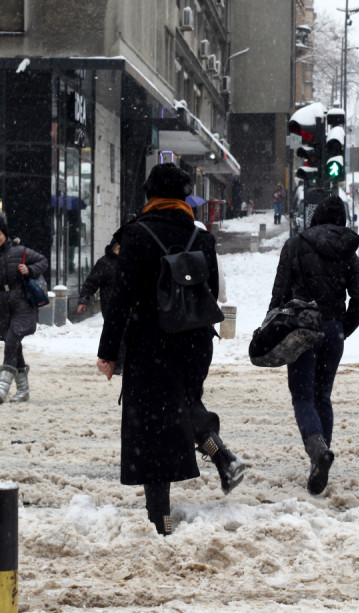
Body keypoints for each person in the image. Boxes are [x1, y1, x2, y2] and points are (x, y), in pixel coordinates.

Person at [96, 163, 245, 536]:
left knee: (149, 432)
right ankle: (220, 455)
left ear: (150, 196)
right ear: (183, 197)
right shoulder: (202, 237)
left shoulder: (137, 235)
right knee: (183, 405)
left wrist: (109, 350)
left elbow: (120, 298)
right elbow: (211, 290)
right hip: (194, 342)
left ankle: (160, 521)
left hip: (151, 340)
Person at [268, 196, 359, 495]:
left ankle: (317, 452)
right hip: (334, 327)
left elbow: (280, 293)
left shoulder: (295, 245)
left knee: (302, 396)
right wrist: (340, 328)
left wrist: (272, 329)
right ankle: (320, 457)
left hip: (302, 328)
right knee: (322, 396)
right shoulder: (347, 251)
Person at [0, 210, 48, 404]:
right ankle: (23, 390)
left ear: (5, 235)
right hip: (1, 306)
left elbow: (43, 261)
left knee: (13, 338)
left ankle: (3, 387)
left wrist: (29, 270)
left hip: (22, 302)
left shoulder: (20, 251)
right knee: (13, 344)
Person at [77, 232, 125, 373]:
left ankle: (124, 363)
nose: (121, 251)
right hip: (110, 306)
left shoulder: (131, 261)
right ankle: (116, 363)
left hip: (128, 306)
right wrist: (84, 299)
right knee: (116, 334)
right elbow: (92, 282)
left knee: (126, 334)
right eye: (118, 248)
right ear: (113, 248)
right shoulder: (104, 262)